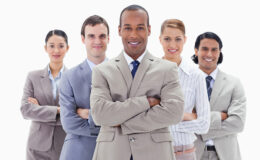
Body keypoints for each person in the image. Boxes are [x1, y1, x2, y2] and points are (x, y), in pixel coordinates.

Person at [90, 5, 184, 160]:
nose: (133, 35)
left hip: (155, 153)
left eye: (140, 28)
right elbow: (100, 115)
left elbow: (174, 112)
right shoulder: (102, 71)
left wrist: (122, 122)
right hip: (112, 153)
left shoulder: (167, 69)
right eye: (128, 28)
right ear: (119, 30)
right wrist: (146, 102)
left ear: (149, 30)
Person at [58, 15, 109, 160]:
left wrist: (88, 114)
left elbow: (127, 118)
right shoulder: (69, 77)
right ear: (83, 39)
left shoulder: (123, 73)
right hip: (77, 152)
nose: (97, 41)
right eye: (91, 36)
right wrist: (109, 127)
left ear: (109, 38)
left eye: (102, 36)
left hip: (114, 152)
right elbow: (68, 123)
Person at [159, 19, 210, 160]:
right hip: (154, 152)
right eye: (167, 39)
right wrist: (186, 116)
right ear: (160, 40)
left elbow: (204, 124)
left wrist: (172, 120)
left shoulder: (196, 76)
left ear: (185, 40)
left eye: (178, 39)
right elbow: (144, 116)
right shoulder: (149, 72)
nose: (172, 45)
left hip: (184, 153)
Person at [192, 32, 246, 160]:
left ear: (219, 52)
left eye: (214, 50)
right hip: (192, 154)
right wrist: (219, 116)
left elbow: (238, 123)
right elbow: (179, 120)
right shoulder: (183, 81)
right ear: (196, 51)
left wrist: (198, 121)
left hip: (225, 155)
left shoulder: (234, 83)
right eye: (205, 49)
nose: (209, 54)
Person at [20, 29, 69, 160]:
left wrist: (39, 110)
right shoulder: (33, 77)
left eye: (61, 46)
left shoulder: (73, 78)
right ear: (45, 48)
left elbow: (74, 114)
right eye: (51, 46)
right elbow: (25, 110)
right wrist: (58, 110)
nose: (56, 51)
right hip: (36, 148)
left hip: (64, 146)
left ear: (67, 48)